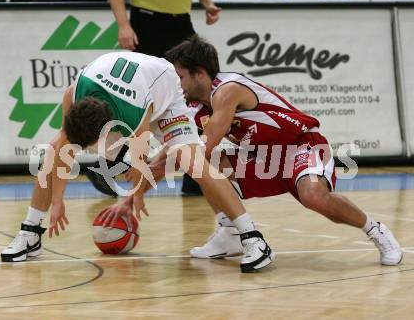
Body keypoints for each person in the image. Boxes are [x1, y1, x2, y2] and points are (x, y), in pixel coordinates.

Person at [0, 51, 275, 273]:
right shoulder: (74, 93)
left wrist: (134, 196)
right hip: (124, 82)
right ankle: (30, 232)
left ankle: (252, 238)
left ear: (111, 127)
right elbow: (63, 151)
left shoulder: (133, 116)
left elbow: (140, 162)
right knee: (51, 150)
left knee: (191, 160)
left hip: (162, 87)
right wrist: (57, 200)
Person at [163, 35, 403, 266]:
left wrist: (154, 170)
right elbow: (180, 148)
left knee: (313, 197)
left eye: (180, 77)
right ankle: (229, 232)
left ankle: (375, 230)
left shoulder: (228, 90)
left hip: (301, 144)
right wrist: (138, 188)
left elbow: (205, 145)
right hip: (264, 157)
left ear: (200, 74)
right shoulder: (195, 106)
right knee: (208, 164)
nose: (176, 85)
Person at [85, 0, 221, 197]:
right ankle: (107, 165)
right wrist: (123, 25)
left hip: (182, 20)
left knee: (197, 92)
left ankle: (194, 176)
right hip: (148, 21)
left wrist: (207, 3)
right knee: (142, 99)